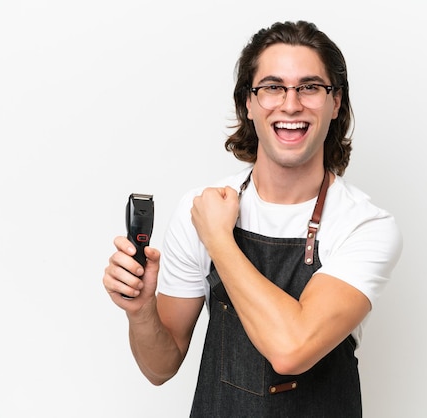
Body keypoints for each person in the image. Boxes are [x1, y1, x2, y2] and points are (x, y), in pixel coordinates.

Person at [102, 20, 402, 417]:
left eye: (310, 87)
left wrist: (219, 240)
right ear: (248, 102)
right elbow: (160, 367)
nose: (291, 104)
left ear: (336, 103)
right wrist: (140, 312)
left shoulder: (364, 226)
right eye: (273, 87)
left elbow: (291, 350)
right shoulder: (199, 208)